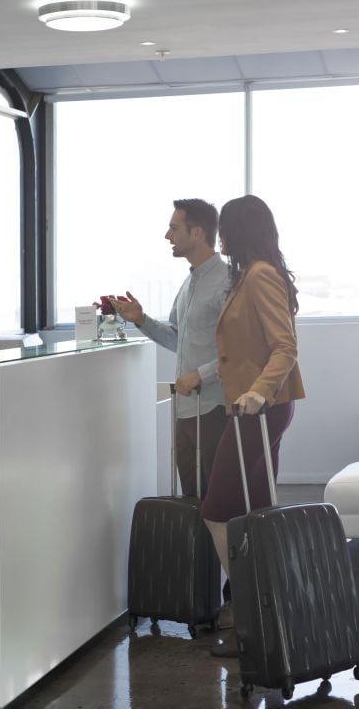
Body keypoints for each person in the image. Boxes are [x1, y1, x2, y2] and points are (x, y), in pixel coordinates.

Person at [106, 199, 235, 623]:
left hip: (214, 410)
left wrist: (201, 376)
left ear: (197, 233)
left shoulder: (227, 281)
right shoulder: (191, 282)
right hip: (185, 413)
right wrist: (141, 319)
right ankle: (204, 598)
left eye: (174, 228)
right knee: (198, 507)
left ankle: (239, 598)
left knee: (222, 508)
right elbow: (180, 339)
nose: (168, 236)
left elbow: (238, 352)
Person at [201, 195, 305, 658]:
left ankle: (249, 613)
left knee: (218, 509)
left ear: (239, 230)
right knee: (256, 512)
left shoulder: (260, 275)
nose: (220, 237)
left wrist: (259, 392)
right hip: (255, 407)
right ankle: (269, 609)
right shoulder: (250, 274)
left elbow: (285, 346)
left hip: (259, 408)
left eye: (225, 228)